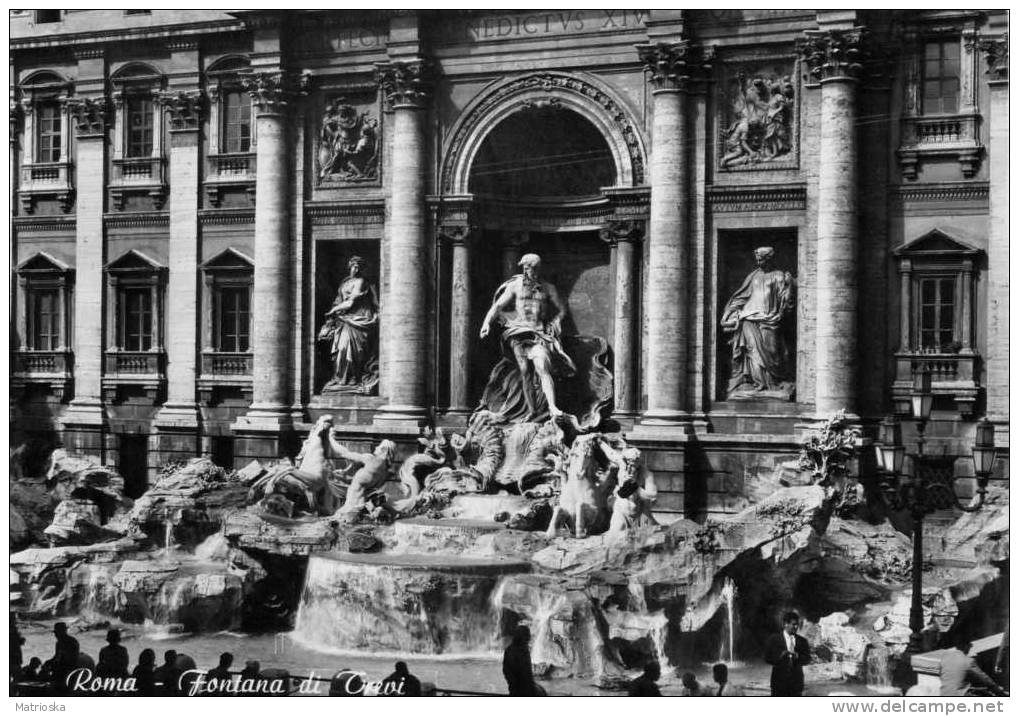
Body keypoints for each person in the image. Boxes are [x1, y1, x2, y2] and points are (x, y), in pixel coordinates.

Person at [479, 253, 576, 421]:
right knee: (525, 371)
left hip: (538, 333)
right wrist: (486, 323)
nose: (525, 270)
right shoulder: (515, 286)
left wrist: (555, 322)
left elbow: (562, 309)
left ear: (537, 269)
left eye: (529, 267)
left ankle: (552, 407)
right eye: (524, 267)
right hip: (517, 332)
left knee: (542, 366)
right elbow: (498, 306)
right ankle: (532, 410)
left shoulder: (548, 288)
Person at [721, 247, 795, 399]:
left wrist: (789, 292)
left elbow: (785, 300)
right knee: (752, 352)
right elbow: (742, 296)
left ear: (769, 259)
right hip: (748, 318)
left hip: (770, 320)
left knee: (772, 351)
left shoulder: (779, 276)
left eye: (761, 259)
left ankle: (773, 384)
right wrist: (729, 313)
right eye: (757, 260)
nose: (759, 262)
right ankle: (757, 384)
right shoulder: (753, 276)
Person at [318, 256, 379, 395]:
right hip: (344, 320)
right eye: (353, 266)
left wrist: (333, 310)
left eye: (358, 267)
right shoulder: (344, 283)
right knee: (341, 349)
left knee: (351, 349)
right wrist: (334, 312)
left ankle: (353, 378)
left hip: (359, 319)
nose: (355, 269)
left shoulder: (361, 281)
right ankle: (340, 378)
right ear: (349, 267)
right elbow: (338, 300)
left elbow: (351, 302)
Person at [940, 637, 1008, 696]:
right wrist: (1000, 692)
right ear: (966, 646)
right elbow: (986, 680)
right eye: (970, 646)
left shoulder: (945, 659)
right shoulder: (968, 661)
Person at [764, 611, 811, 696]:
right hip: (778, 683)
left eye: (797, 624)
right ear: (785, 624)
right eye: (793, 624)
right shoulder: (774, 639)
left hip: (796, 684)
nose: (796, 627)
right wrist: (781, 655)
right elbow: (767, 658)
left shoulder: (802, 641)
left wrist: (798, 656)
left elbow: (808, 659)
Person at [503, 625, 543, 696]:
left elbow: (506, 671)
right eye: (528, 636)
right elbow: (526, 674)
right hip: (524, 690)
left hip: (514, 688)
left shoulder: (509, 649)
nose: (529, 638)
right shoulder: (523, 651)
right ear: (523, 637)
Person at [47, 622, 80, 694]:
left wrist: (56, 664)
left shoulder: (71, 642)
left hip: (70, 669)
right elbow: (56, 656)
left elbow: (72, 659)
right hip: (63, 668)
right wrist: (49, 662)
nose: (55, 634)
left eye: (56, 632)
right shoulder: (59, 643)